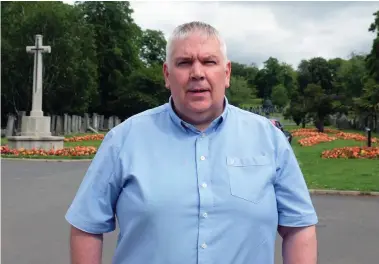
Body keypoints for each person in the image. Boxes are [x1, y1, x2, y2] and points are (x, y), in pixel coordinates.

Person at [65, 21, 318, 264]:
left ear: (226, 73)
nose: (197, 73)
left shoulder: (268, 139)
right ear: (167, 74)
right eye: (184, 63)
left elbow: (299, 227)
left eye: (209, 62)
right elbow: (87, 225)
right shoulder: (124, 140)